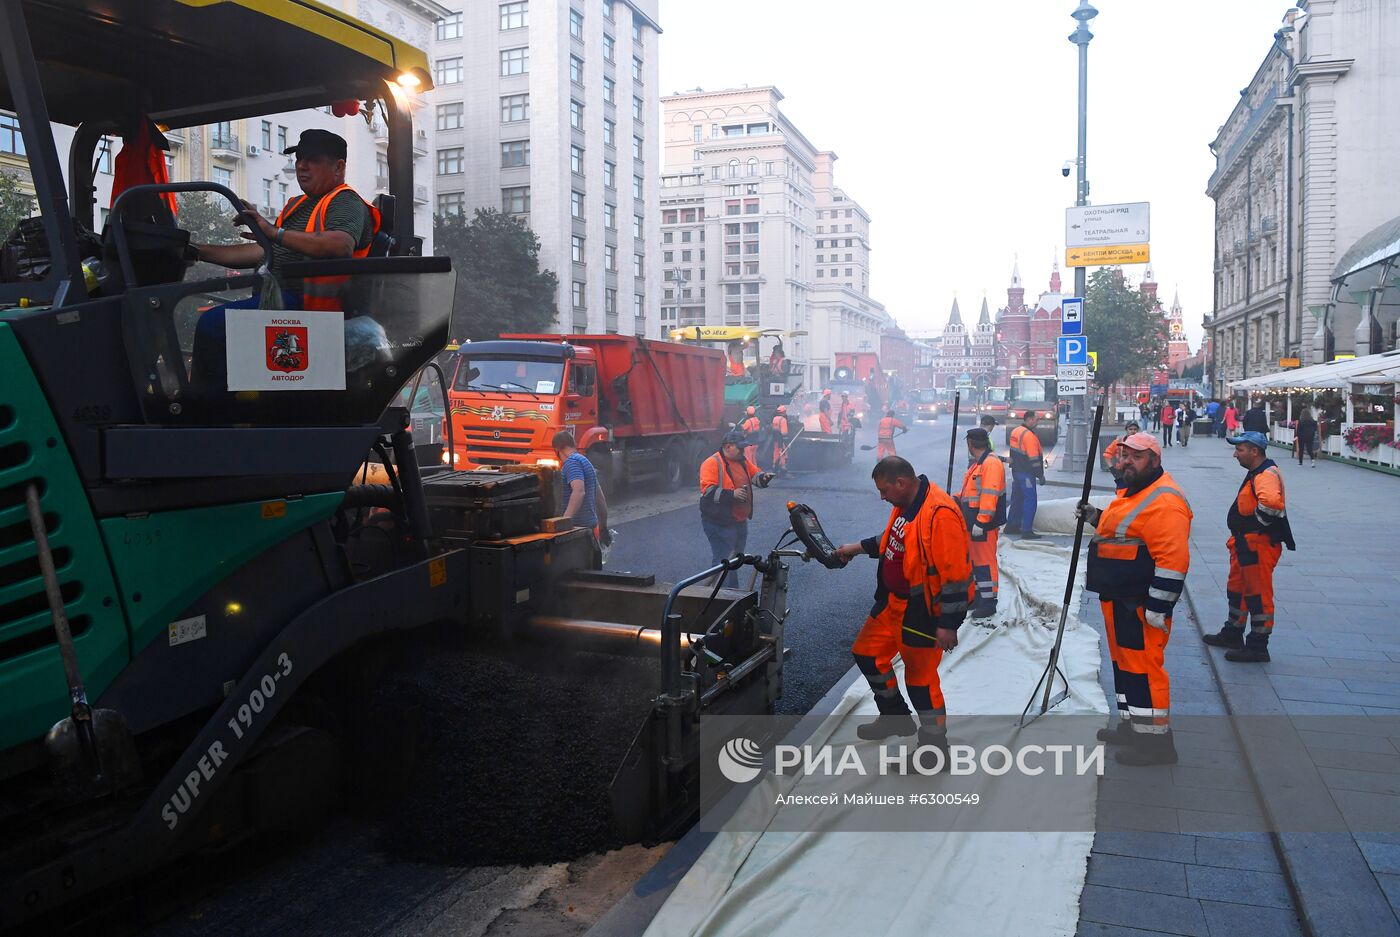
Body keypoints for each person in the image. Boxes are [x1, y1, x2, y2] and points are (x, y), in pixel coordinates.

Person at [190, 129, 382, 389]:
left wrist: (274, 232)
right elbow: (263, 253)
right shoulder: (296, 205)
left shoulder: (344, 201)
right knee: (215, 322)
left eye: (312, 159)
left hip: (313, 309)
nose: (301, 165)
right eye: (299, 158)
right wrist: (196, 250)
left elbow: (340, 245)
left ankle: (209, 413)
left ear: (338, 167)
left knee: (213, 325)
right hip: (283, 304)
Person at [834, 457, 973, 757]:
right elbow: (893, 539)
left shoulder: (940, 513)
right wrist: (856, 548)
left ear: (901, 482)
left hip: (921, 610)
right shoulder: (906, 505)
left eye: (884, 490)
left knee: (921, 683)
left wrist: (948, 624)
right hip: (893, 603)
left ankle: (934, 750)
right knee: (867, 654)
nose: (882, 497)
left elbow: (956, 576)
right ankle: (895, 717)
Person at [1076, 432, 1192, 765]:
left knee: (1143, 669)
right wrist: (1095, 516)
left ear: (1155, 461)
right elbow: (1123, 530)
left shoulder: (1164, 501)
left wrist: (1157, 607)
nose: (1126, 461)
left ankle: (1156, 743)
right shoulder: (1133, 492)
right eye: (1124, 455)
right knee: (1124, 665)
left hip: (1140, 603)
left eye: (1136, 456)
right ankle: (1133, 725)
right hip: (1119, 597)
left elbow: (1173, 561)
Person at [1203, 430, 1295, 663]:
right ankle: (1233, 632)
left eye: (1240, 450)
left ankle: (1257, 646)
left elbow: (1272, 504)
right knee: (1239, 589)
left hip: (1258, 544)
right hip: (1248, 544)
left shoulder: (1266, 474)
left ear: (1255, 451)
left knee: (1257, 594)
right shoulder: (1260, 472)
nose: (1235, 454)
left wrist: (1254, 526)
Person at [698, 430, 774, 587]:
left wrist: (763, 478)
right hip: (719, 522)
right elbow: (708, 492)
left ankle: (715, 594)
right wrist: (732, 494)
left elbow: (755, 476)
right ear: (727, 447)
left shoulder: (742, 461)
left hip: (738, 521)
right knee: (725, 561)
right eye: (739, 448)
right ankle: (728, 598)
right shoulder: (711, 463)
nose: (743, 451)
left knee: (734, 560)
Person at [959, 428, 1006, 619]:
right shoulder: (980, 464)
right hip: (975, 523)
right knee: (977, 562)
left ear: (970, 444)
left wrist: (981, 521)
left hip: (982, 525)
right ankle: (980, 597)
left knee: (985, 563)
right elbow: (971, 493)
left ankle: (989, 603)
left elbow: (990, 494)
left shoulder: (990, 464)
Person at [553, 431, 609, 562]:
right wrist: (603, 527)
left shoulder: (572, 463)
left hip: (577, 531)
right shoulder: (585, 462)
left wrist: (564, 521)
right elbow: (600, 499)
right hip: (590, 529)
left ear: (558, 449)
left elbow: (578, 492)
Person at [1006, 411, 1045, 539]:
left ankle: (1011, 526)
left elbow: (1013, 451)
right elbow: (1034, 459)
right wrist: (1040, 475)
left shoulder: (1016, 431)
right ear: (1030, 420)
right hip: (1026, 473)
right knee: (1030, 499)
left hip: (1017, 471)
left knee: (1017, 498)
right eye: (1036, 419)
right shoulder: (1029, 436)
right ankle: (1026, 530)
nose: (1037, 422)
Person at [1103, 421, 1141, 491]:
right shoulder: (1118, 442)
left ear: (1138, 430)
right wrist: (1112, 469)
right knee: (1121, 492)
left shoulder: (1141, 443)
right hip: (1121, 472)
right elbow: (1107, 454)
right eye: (1130, 429)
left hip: (1136, 472)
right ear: (1126, 430)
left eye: (1135, 429)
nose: (1133, 431)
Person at [770, 404, 790, 474]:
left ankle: (774, 466)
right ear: (783, 412)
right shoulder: (783, 420)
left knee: (776, 452)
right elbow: (784, 433)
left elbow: (773, 428)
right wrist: (786, 441)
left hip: (775, 438)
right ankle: (783, 467)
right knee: (783, 453)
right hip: (781, 439)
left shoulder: (774, 418)